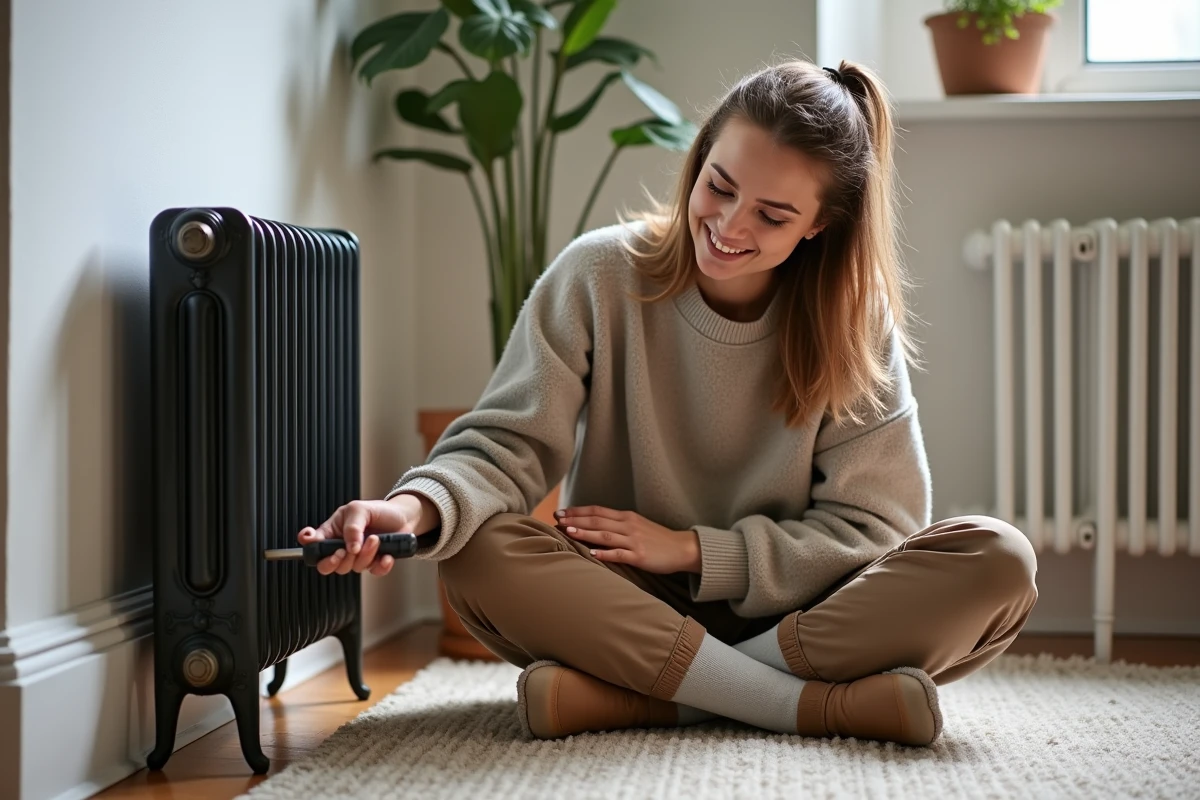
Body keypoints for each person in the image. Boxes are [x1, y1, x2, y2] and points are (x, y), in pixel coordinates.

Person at [297, 58, 1038, 746]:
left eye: (773, 216)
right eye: (719, 185)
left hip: (803, 612)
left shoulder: (852, 321)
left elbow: (879, 525)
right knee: (475, 554)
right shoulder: (598, 274)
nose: (729, 225)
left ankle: (652, 699)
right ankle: (800, 703)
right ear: (700, 157)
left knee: (999, 562)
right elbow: (507, 446)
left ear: (820, 224)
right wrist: (412, 510)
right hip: (624, 606)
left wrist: (693, 551)